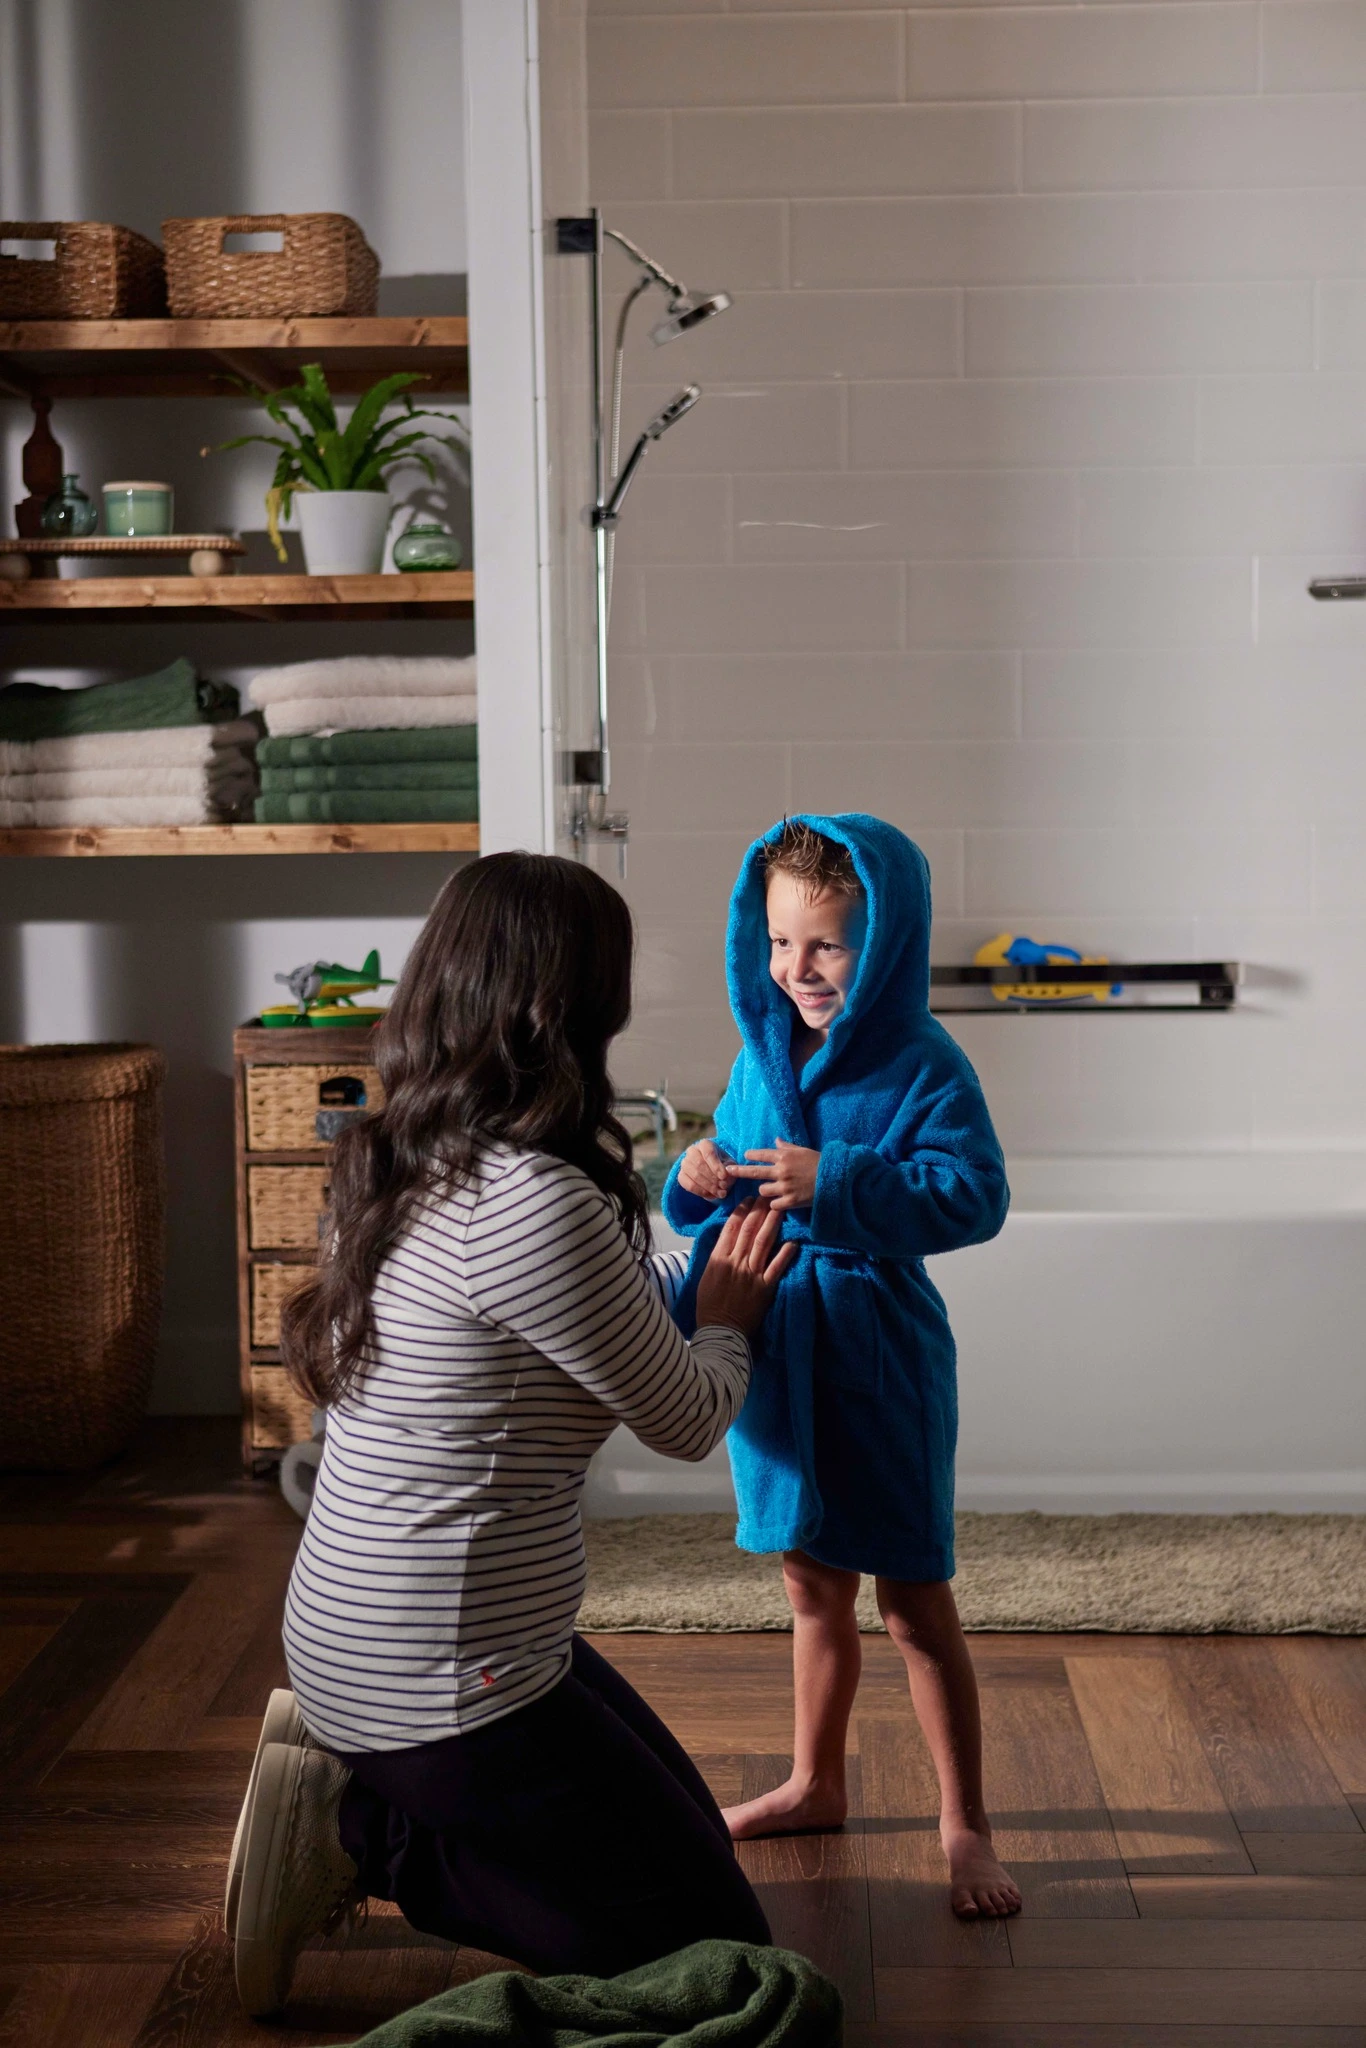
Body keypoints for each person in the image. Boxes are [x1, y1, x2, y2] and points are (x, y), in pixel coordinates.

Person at [227, 852, 794, 2018]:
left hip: (385, 1630)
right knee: (717, 1952)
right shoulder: (534, 1200)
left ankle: (355, 1759)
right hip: (439, 1675)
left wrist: (708, 1252)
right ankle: (359, 1831)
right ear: (568, 1006)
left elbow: (610, 1290)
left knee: (692, 1848)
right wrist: (732, 1321)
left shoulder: (408, 1153)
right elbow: (686, 1414)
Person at [663, 814, 1021, 1920]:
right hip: (774, 1341)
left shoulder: (924, 1061)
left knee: (915, 1597)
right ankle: (815, 1781)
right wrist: (692, 1171)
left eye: (827, 945)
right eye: (779, 942)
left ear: (888, 943)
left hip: (879, 1351)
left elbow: (974, 1197)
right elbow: (713, 1180)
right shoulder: (756, 1053)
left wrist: (842, 1180)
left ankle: (964, 1821)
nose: (798, 969)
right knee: (810, 1586)